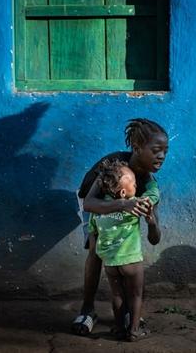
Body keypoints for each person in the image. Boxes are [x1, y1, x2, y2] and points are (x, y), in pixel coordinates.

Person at [71, 118, 168, 336]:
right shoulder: (112, 167)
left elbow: (154, 238)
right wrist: (123, 204)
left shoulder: (148, 186)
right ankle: (88, 310)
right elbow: (89, 202)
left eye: (165, 151)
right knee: (96, 250)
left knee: (126, 255)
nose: (161, 156)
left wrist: (151, 221)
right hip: (93, 198)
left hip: (119, 203)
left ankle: (128, 313)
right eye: (156, 150)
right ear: (136, 148)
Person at [88, 159, 160, 341]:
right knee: (136, 295)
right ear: (122, 192)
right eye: (135, 183)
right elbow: (154, 194)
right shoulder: (134, 204)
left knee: (117, 295)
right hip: (131, 260)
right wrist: (149, 179)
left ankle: (119, 328)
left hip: (111, 262)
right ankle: (135, 330)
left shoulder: (98, 211)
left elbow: (93, 231)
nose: (137, 185)